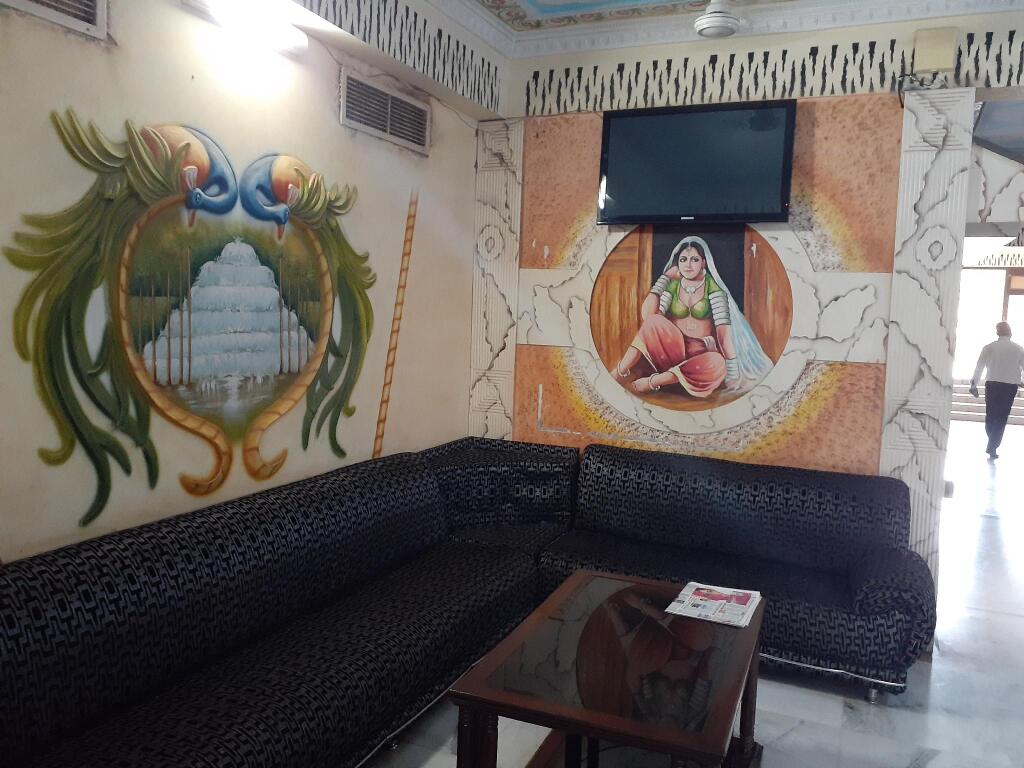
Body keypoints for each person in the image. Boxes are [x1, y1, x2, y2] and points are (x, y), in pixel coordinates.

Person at [613, 236, 772, 397]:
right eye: (683, 259)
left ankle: (654, 381)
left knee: (718, 364)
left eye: (694, 259)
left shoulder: (714, 289)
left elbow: (723, 335)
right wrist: (664, 278)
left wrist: (732, 372)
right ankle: (620, 371)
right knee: (654, 321)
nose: (688, 265)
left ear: (703, 263)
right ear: (677, 263)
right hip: (673, 348)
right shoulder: (673, 284)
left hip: (700, 353)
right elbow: (649, 317)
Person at [970, 321, 1024, 458]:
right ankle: (992, 445)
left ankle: (992, 444)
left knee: (990, 415)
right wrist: (1022, 381)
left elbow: (979, 366)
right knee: (1002, 417)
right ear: (1010, 332)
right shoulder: (1019, 349)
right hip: (1010, 386)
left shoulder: (989, 347)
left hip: (992, 384)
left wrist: (974, 385)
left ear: (997, 332)